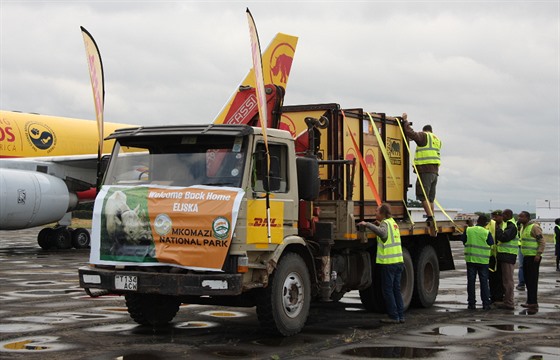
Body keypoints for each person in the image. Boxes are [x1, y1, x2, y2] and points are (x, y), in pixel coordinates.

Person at [358, 204, 405, 324]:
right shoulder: (393, 223)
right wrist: (378, 225)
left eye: (377, 211)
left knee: (388, 290)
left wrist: (367, 224)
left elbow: (383, 234)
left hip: (389, 263)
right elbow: (387, 233)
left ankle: (393, 316)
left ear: (383, 213)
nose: (375, 212)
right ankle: (401, 316)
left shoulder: (385, 223)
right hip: (398, 261)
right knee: (396, 290)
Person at [402, 113, 442, 225]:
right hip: (435, 172)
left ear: (424, 130)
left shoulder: (424, 136)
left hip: (425, 171)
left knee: (422, 195)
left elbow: (411, 133)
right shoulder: (436, 139)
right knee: (430, 197)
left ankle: (430, 217)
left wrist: (405, 121)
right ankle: (432, 216)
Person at [462, 214, 494, 310]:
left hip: (471, 260)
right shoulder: (486, 232)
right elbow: (491, 243)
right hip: (483, 261)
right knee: (484, 282)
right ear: (486, 223)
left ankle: (471, 303)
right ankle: (486, 303)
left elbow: (463, 240)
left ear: (477, 221)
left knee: (471, 282)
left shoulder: (469, 230)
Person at [518, 211, 546, 309]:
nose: (519, 218)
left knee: (532, 280)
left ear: (527, 218)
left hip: (533, 257)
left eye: (522, 217)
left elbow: (542, 241)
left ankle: (533, 302)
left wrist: (538, 254)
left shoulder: (534, 227)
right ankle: (530, 300)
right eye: (519, 216)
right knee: (528, 280)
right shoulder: (522, 228)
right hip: (526, 256)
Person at [494, 209, 519, 310]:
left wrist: (497, 229)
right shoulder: (507, 224)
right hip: (505, 255)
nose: (501, 216)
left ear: (507, 215)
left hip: (508, 255)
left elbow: (504, 237)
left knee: (508, 281)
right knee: (505, 280)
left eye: (503, 215)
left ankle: (509, 302)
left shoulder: (512, 226)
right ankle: (507, 301)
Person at [488, 210, 503, 304]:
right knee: (492, 278)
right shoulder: (490, 225)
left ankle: (499, 296)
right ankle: (493, 296)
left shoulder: (505, 225)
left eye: (496, 217)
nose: (494, 219)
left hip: (501, 255)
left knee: (499, 278)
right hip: (491, 255)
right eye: (493, 217)